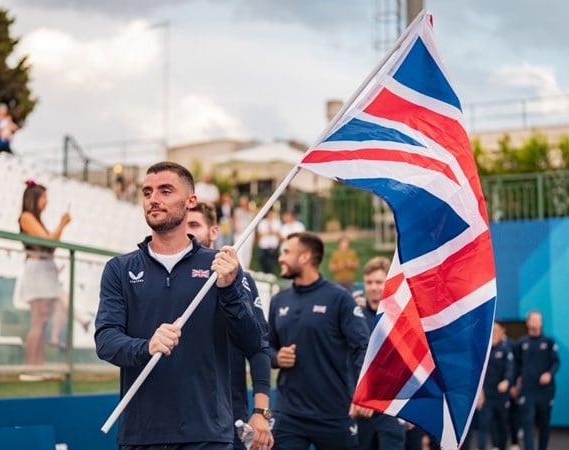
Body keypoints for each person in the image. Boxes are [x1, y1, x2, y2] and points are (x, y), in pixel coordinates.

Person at [94, 161, 263, 449]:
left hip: (207, 434)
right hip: (142, 435)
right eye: (147, 192)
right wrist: (146, 346)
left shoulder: (218, 267)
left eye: (165, 191)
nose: (153, 199)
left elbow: (253, 340)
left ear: (190, 201)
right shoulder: (119, 269)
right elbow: (105, 340)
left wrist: (230, 290)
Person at [268, 231, 371, 450]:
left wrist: (365, 393)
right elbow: (265, 348)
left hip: (334, 412)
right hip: (289, 414)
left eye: (286, 252)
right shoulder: (278, 300)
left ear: (305, 257)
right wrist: (277, 357)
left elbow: (362, 347)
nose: (280, 258)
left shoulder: (339, 298)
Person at [186, 202, 274, 450]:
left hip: (228, 412)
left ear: (214, 232)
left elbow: (258, 348)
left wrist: (261, 411)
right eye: (185, 226)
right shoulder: (169, 278)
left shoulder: (241, 279)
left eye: (195, 225)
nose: (189, 233)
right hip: (175, 416)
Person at [352, 257, 406, 450]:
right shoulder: (353, 316)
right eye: (369, 282)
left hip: (391, 407)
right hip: (360, 408)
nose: (373, 287)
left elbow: (407, 364)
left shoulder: (401, 317)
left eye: (378, 282)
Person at [18, 180, 71, 365]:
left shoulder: (37, 220)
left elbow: (49, 248)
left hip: (46, 269)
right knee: (38, 322)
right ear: (35, 198)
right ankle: (31, 366)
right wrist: (62, 224)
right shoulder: (26, 217)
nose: (46, 202)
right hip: (37, 270)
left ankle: (38, 366)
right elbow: (49, 242)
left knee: (43, 322)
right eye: (44, 198)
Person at [513, 310, 559, 450]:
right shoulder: (521, 343)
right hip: (528, 391)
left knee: (544, 424)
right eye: (534, 320)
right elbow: (515, 365)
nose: (537, 323)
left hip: (545, 392)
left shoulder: (549, 342)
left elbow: (556, 363)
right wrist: (515, 383)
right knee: (528, 424)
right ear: (528, 323)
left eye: (539, 320)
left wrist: (549, 374)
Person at [478, 322, 515, 450]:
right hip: (486, 395)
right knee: (483, 425)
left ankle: (501, 446)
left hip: (501, 396)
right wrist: (480, 391)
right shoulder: (483, 350)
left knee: (502, 425)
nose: (493, 334)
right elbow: (478, 372)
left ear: (501, 334)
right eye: (491, 332)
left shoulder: (505, 350)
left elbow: (510, 369)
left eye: (496, 332)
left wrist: (507, 381)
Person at [233, 195, 255, 270]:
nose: (242, 202)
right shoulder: (237, 210)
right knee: (239, 251)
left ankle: (246, 267)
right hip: (240, 233)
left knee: (247, 251)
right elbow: (235, 221)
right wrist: (238, 230)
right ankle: (240, 268)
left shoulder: (251, 211)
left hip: (249, 233)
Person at [256, 209, 281, 274]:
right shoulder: (263, 222)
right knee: (262, 260)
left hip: (272, 246)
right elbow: (260, 234)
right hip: (264, 245)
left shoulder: (277, 222)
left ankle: (270, 275)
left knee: (271, 263)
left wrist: (269, 231)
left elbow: (278, 233)